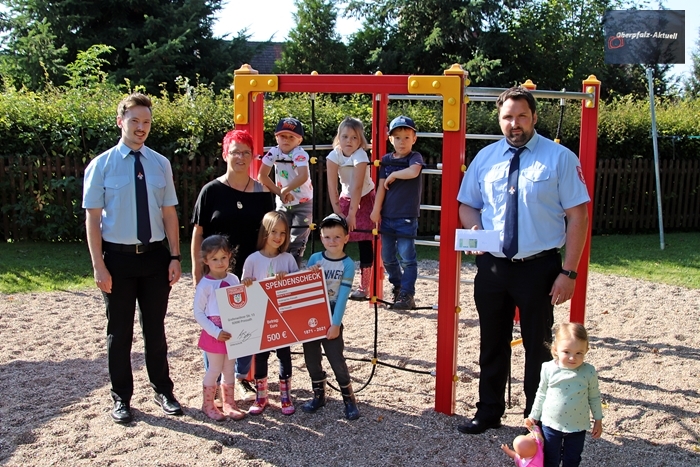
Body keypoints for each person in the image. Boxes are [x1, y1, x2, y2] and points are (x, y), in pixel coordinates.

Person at [456, 86, 590, 435]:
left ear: (533, 117)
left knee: (538, 346)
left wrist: (569, 272)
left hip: (539, 268)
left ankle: (537, 418)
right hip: (493, 267)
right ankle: (488, 412)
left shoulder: (560, 158)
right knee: (491, 341)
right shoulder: (485, 158)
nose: (514, 124)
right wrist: (474, 228)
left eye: (521, 116)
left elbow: (578, 217)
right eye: (507, 117)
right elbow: (467, 203)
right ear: (499, 119)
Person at [82, 92, 183, 424]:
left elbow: (169, 214)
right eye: (135, 121)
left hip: (154, 259)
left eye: (147, 122)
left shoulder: (160, 164)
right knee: (120, 332)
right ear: (120, 121)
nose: (141, 128)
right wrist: (98, 264)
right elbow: (92, 220)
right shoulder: (101, 165)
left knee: (155, 330)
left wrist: (175, 256)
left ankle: (163, 390)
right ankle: (121, 398)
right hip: (118, 261)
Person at [191, 129, 275, 401]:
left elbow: (269, 234)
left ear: (252, 157)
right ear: (225, 154)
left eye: (246, 152)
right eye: (235, 151)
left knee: (246, 328)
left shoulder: (263, 193)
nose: (240, 157)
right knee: (216, 329)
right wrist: (196, 272)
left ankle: (241, 378)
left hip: (250, 274)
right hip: (216, 273)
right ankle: (212, 381)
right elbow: (198, 233)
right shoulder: (211, 191)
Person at [301, 213, 360, 420]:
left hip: (332, 311)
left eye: (337, 237)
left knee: (336, 358)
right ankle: (319, 394)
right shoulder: (316, 258)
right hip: (313, 311)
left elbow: (343, 297)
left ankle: (349, 398)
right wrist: (310, 273)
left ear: (346, 238)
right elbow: (305, 287)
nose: (332, 241)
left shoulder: (348, 264)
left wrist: (335, 324)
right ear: (321, 238)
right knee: (311, 357)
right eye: (327, 237)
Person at [241, 211, 299, 415]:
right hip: (260, 317)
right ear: (265, 232)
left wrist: (288, 278)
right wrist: (246, 283)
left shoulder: (288, 259)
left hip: (282, 317)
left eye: (283, 233)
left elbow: (296, 287)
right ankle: (261, 395)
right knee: (261, 355)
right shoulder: (252, 260)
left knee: (284, 354)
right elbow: (243, 290)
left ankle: (285, 396)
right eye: (274, 231)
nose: (278, 237)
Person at [527, 323, 603, 467]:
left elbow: (594, 396)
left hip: (577, 425)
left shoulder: (588, 371)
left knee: (572, 459)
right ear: (555, 349)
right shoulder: (548, 368)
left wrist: (598, 420)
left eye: (579, 353)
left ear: (586, 350)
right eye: (567, 352)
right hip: (551, 423)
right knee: (550, 458)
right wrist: (533, 416)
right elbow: (541, 393)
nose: (572, 358)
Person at [370, 115, 424, 310]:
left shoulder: (414, 157)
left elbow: (413, 172)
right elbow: (381, 188)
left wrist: (393, 174)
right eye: (398, 137)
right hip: (387, 217)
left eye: (406, 137)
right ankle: (398, 286)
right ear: (390, 139)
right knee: (387, 257)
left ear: (414, 138)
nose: (402, 142)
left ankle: (407, 294)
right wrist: (376, 210)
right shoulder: (385, 159)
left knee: (407, 257)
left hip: (407, 217)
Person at [193, 235, 246, 421]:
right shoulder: (205, 285)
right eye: (214, 259)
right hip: (215, 333)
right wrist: (215, 332)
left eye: (223, 257)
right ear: (206, 260)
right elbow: (198, 313)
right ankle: (208, 404)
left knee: (230, 368)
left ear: (230, 256)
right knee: (214, 369)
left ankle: (229, 402)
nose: (219, 262)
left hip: (231, 332)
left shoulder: (233, 278)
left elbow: (242, 302)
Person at [326, 117, 376, 301]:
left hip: (364, 197)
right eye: (345, 136)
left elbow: (356, 185)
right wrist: (338, 210)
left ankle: (364, 287)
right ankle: (335, 282)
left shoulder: (361, 155)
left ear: (360, 140)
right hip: (345, 198)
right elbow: (332, 185)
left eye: (354, 137)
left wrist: (352, 214)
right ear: (339, 137)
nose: (349, 141)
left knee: (364, 240)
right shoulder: (334, 155)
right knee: (339, 240)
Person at [258, 117, 313, 267]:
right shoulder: (273, 152)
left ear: (299, 140)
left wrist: (285, 190)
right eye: (283, 136)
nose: (286, 140)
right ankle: (279, 264)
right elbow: (261, 175)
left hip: (303, 201)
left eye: (291, 137)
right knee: (279, 232)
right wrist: (280, 193)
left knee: (299, 236)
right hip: (283, 201)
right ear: (276, 137)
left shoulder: (299, 153)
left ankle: (294, 265)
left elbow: (303, 175)